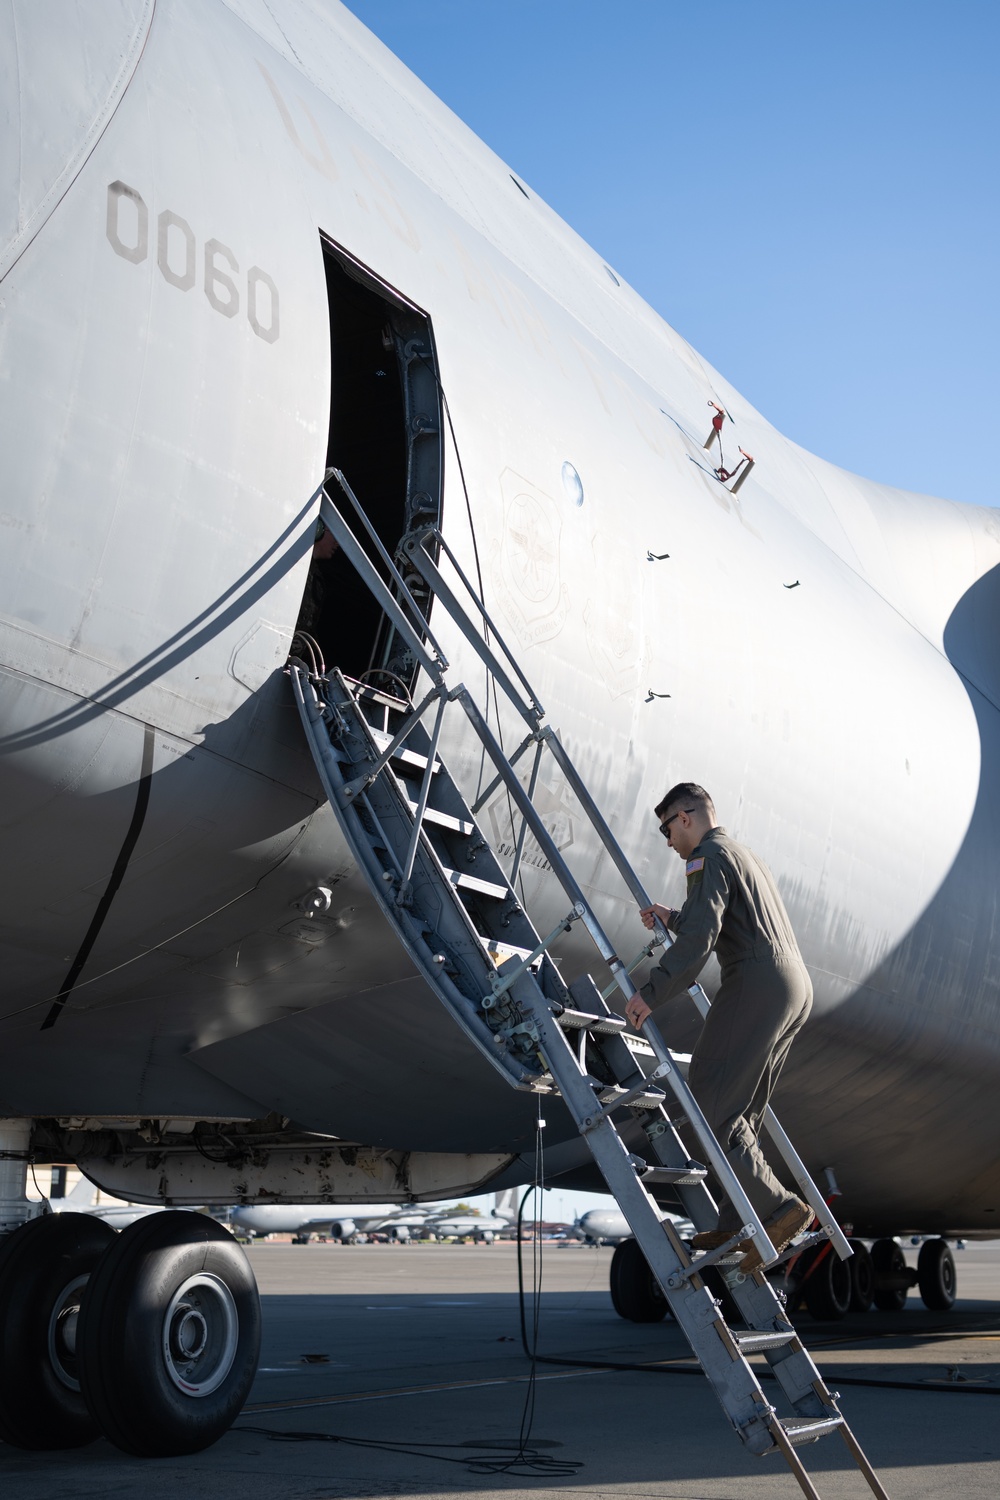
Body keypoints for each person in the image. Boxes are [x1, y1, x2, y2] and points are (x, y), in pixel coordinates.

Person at [623, 783, 813, 1271]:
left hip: (755, 982)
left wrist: (652, 992)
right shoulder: (743, 854)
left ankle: (776, 1207)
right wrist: (674, 915)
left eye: (666, 828)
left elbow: (702, 938)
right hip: (793, 985)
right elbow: (726, 916)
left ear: (685, 817)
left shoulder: (704, 856)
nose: (667, 840)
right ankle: (739, 1217)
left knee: (709, 1096)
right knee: (742, 1108)